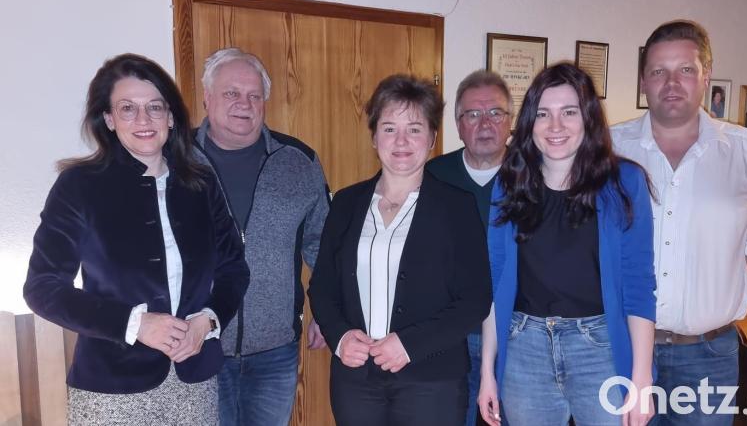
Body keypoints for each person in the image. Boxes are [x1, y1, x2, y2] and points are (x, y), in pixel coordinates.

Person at [23, 53, 250, 425]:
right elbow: (42, 287)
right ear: (109, 119)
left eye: (155, 108)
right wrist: (135, 324)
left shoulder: (201, 183)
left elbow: (234, 270)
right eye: (127, 108)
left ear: (172, 117)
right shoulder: (79, 186)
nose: (143, 120)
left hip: (194, 380)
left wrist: (207, 322)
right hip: (112, 388)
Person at [611, 20, 747, 425]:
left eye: (685, 69)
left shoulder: (746, 151)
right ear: (643, 81)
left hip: (709, 354)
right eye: (658, 71)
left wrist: (724, 274)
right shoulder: (609, 148)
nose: (671, 82)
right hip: (619, 347)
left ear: (706, 75)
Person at [478, 63, 657, 426]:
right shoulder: (509, 184)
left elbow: (639, 286)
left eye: (569, 112)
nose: (555, 126)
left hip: (600, 349)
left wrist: (641, 378)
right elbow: (494, 285)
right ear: (530, 123)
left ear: (588, 119)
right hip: (525, 348)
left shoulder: (624, 182)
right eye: (543, 114)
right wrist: (487, 372)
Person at [308, 74, 492, 426]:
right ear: (374, 137)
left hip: (432, 381)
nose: (402, 141)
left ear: (433, 138)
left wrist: (410, 344)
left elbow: (474, 300)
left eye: (415, 128)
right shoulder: (346, 203)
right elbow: (323, 286)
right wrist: (341, 336)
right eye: (390, 128)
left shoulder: (457, 207)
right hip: (356, 379)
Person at [194, 47, 330, 426]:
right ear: (206, 98)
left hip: (275, 351)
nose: (244, 104)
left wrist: (325, 307)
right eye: (231, 93)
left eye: (254, 95)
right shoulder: (175, 158)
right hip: (196, 345)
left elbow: (323, 243)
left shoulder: (298, 161)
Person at [425, 69, 511, 426]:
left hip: (513, 337)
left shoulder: (534, 176)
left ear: (511, 122)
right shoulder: (433, 175)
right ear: (458, 125)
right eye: (473, 114)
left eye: (495, 113)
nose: (485, 123)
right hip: (450, 337)